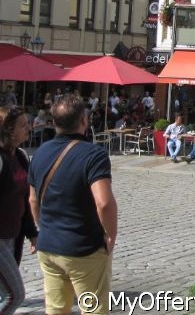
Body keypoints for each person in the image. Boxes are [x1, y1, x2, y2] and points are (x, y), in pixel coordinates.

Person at [28, 95, 117, 314]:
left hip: (48, 246)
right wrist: (110, 235)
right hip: (82, 247)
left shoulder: (40, 152)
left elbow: (32, 199)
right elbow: (104, 203)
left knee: (56, 309)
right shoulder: (93, 154)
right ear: (84, 121)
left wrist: (44, 228)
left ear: (54, 121)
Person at [0, 107, 37, 314]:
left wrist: (32, 233)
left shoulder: (21, 156)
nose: (28, 128)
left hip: (13, 236)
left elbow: (25, 198)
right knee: (15, 295)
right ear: (9, 130)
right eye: (23, 125)